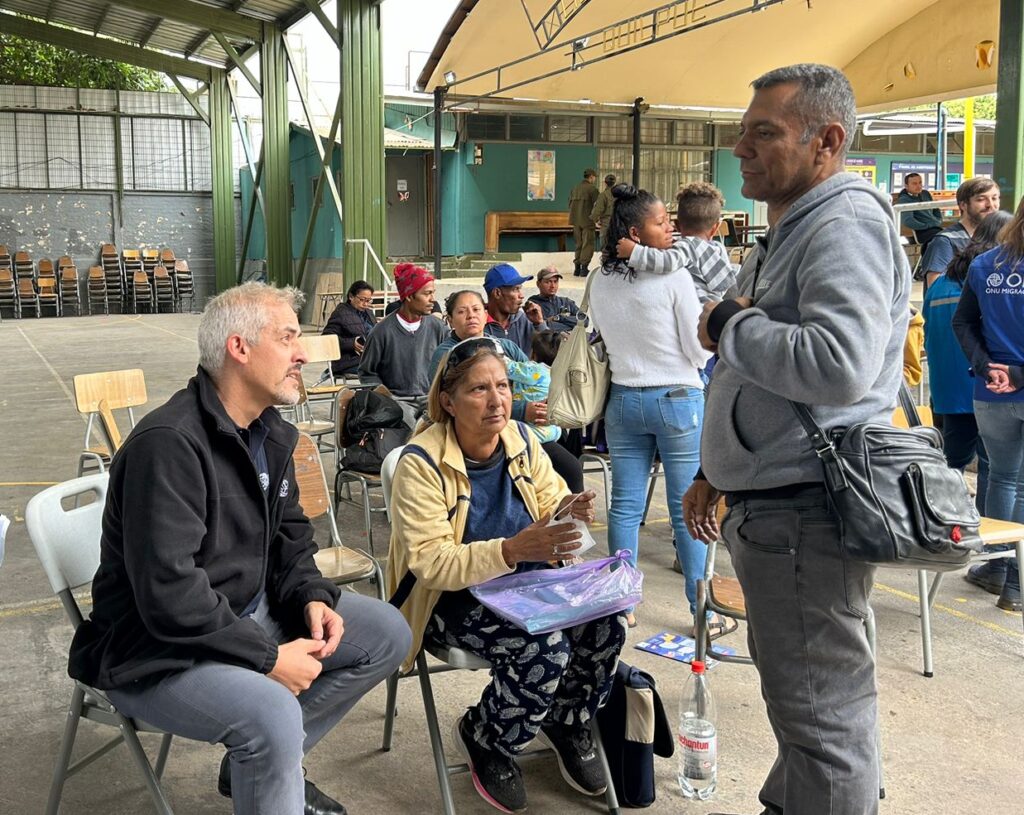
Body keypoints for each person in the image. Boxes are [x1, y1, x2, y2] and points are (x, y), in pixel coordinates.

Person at [67, 283, 411, 815]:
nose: (303, 352)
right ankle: (273, 761)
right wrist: (269, 658)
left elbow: (291, 539)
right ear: (239, 347)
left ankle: (265, 765)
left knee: (388, 632)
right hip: (155, 649)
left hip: (245, 615)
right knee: (270, 714)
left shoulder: (270, 433)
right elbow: (169, 595)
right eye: (288, 338)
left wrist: (310, 596)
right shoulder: (169, 445)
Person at [682, 64, 910, 815]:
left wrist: (729, 324)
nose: (742, 148)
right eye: (743, 132)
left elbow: (837, 364)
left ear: (828, 141)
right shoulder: (798, 225)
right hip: (777, 500)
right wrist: (722, 467)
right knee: (809, 699)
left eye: (764, 133)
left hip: (805, 510)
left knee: (821, 713)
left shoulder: (843, 223)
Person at [386, 340, 625, 813]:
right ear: (448, 401)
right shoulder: (421, 462)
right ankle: (487, 736)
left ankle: (566, 719)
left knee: (606, 623)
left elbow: (548, 503)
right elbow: (432, 563)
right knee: (546, 647)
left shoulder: (519, 438)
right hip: (453, 599)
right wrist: (514, 550)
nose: (497, 400)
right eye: (479, 389)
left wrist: (567, 512)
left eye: (502, 386)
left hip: (527, 585)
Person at [589, 184, 711, 630]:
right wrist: (699, 364)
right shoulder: (674, 277)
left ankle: (622, 606)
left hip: (622, 401)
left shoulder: (599, 280)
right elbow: (696, 343)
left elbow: (599, 335)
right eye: (662, 222)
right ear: (636, 232)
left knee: (623, 506)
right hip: (678, 399)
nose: (671, 228)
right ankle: (699, 609)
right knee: (687, 510)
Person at [430, 290, 584, 491]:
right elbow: (454, 402)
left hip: (519, 427)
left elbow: (534, 378)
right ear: (450, 320)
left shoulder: (506, 347)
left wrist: (543, 407)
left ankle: (569, 519)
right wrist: (522, 410)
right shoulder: (448, 354)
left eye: (476, 309)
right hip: (471, 432)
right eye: (462, 311)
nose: (471, 316)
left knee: (570, 468)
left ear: (486, 315)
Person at [952, 199, 1024, 613]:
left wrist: (986, 368)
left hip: (991, 392)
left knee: (1002, 479)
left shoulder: (987, 265)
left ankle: (997, 569)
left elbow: (962, 322)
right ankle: (1016, 583)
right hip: (1013, 384)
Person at [923, 211, 1010, 514]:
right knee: (998, 470)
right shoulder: (991, 279)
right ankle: (995, 538)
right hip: (986, 384)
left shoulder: (941, 283)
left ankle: (944, 522)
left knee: (952, 462)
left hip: (946, 389)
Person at [617, 180, 738, 304]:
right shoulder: (718, 249)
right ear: (715, 228)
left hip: (699, 310)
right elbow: (727, 284)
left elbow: (666, 261)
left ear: (677, 225)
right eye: (660, 223)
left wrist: (634, 252)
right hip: (716, 308)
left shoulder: (687, 246)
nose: (669, 228)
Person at [358, 262, 446, 398]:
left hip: (431, 402)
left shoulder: (438, 327)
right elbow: (367, 373)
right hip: (396, 404)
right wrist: (386, 398)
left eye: (432, 293)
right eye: (427, 294)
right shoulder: (381, 332)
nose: (432, 300)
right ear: (409, 296)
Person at [920, 176, 1001, 289]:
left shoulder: (1001, 239)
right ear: (963, 205)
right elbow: (936, 291)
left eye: (995, 198)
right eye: (981, 199)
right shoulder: (945, 242)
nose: (990, 205)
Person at [483, 262, 547, 355]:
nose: (521, 295)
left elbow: (550, 353)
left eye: (520, 289)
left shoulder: (523, 319)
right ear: (497, 293)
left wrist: (539, 323)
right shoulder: (479, 325)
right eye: (516, 289)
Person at [321, 280, 377, 377]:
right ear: (351, 296)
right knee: (381, 369)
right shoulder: (340, 313)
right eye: (362, 300)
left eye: (368, 300)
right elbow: (326, 339)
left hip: (368, 357)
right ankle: (371, 391)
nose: (365, 304)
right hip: (348, 362)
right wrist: (351, 343)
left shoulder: (369, 313)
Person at [526, 266, 581, 332]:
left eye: (555, 281)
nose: (553, 286)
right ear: (538, 284)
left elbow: (584, 321)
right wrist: (571, 325)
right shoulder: (533, 304)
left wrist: (558, 318)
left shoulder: (566, 302)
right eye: (548, 282)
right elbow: (545, 328)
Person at [896, 172, 944, 247]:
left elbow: (936, 209)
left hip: (935, 228)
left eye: (920, 182)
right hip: (920, 232)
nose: (918, 186)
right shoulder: (904, 200)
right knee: (944, 239)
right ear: (906, 186)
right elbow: (908, 221)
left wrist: (937, 220)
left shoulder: (926, 194)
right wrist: (927, 225)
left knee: (952, 237)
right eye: (914, 184)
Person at [568, 168, 600, 276]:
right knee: (588, 244)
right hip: (587, 221)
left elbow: (569, 204)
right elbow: (598, 206)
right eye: (594, 177)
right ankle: (584, 269)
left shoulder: (575, 188)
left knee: (578, 244)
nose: (594, 179)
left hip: (575, 221)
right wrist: (597, 219)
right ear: (591, 177)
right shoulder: (592, 189)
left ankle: (576, 268)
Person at [590, 173, 617, 247]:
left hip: (606, 225)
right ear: (615, 183)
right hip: (618, 225)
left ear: (605, 183)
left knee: (605, 248)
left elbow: (598, 210)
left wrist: (594, 220)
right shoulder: (619, 195)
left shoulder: (603, 195)